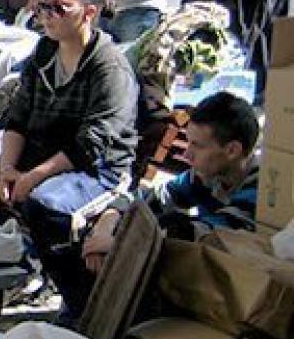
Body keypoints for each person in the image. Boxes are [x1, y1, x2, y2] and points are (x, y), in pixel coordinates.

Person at [0, 0, 138, 322]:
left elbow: (95, 142)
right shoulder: (45, 50)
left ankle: (80, 302)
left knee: (44, 206)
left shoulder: (109, 67)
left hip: (96, 169)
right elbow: (18, 117)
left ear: (89, 12)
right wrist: (7, 168)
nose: (46, 16)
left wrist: (33, 176)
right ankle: (20, 256)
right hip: (42, 156)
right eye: (42, 7)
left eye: (59, 8)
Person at [82, 92, 260, 273]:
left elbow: (204, 237)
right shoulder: (205, 176)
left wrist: (118, 245)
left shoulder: (261, 193)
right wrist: (106, 225)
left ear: (232, 150)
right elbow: (147, 199)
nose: (186, 154)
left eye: (197, 146)